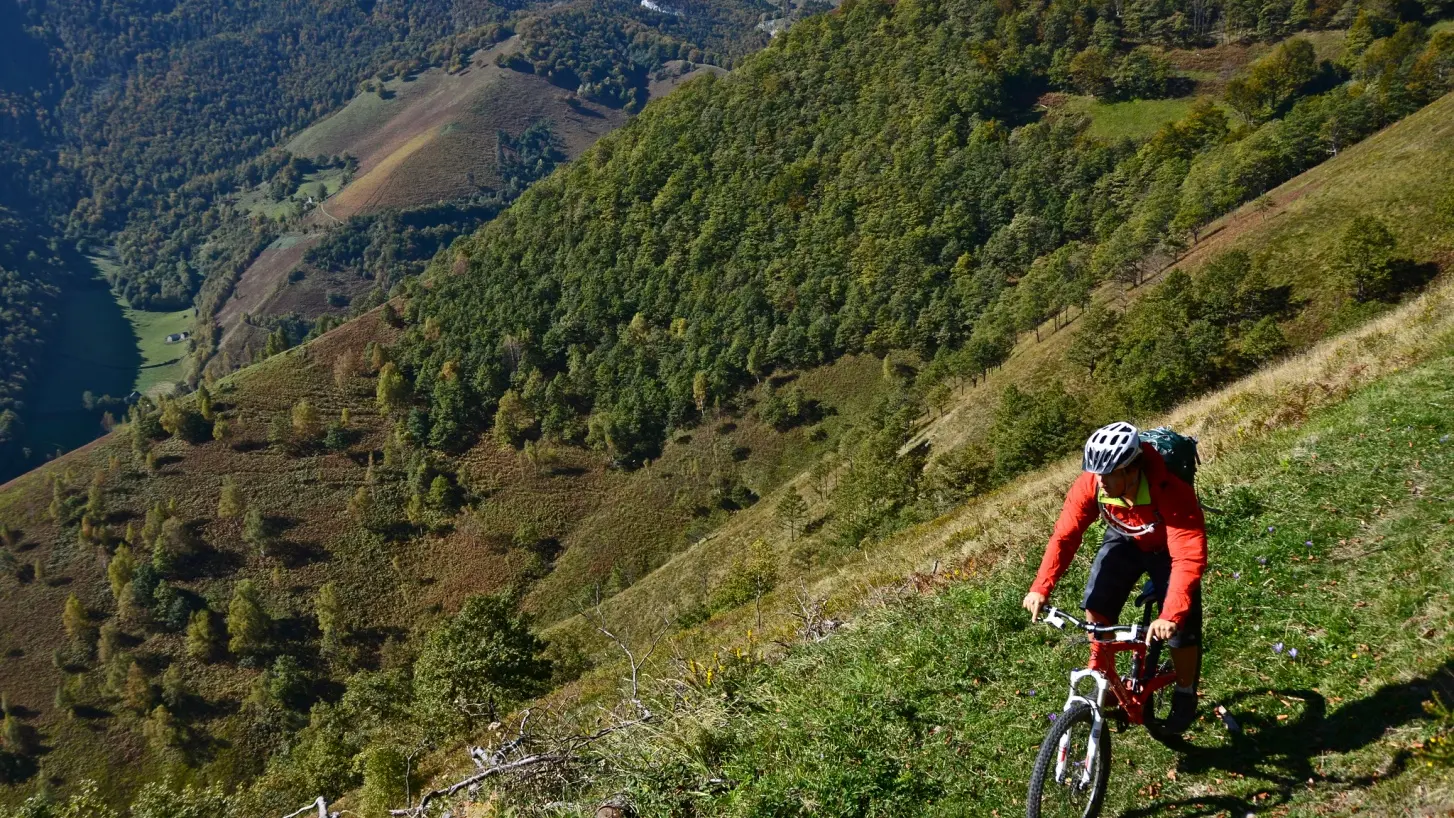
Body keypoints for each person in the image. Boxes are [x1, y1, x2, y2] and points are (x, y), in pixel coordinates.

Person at [1021, 421, 1206, 732]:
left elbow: (1187, 556)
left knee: (1182, 630)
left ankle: (1185, 692)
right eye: (1097, 473)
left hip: (1168, 548)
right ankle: (1101, 673)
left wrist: (1171, 614)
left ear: (1132, 469)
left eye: (1108, 474)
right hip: (1126, 536)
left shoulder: (1170, 489)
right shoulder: (1093, 484)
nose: (1100, 481)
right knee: (1097, 607)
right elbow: (1065, 536)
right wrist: (1041, 587)